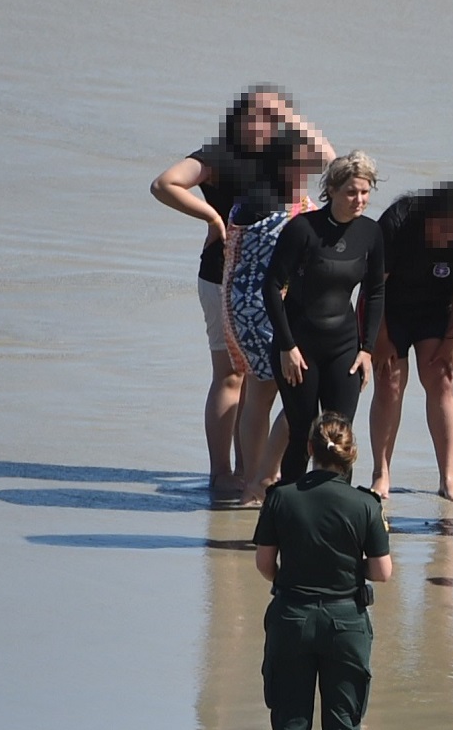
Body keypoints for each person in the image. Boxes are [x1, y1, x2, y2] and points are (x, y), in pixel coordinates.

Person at [151, 85, 333, 500]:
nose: (267, 123)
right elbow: (165, 184)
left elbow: (330, 163)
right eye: (259, 115)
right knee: (232, 376)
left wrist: (293, 115)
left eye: (276, 116)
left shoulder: (285, 156)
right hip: (223, 280)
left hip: (280, 288)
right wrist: (213, 219)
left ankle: (251, 473)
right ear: (239, 118)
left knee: (262, 382)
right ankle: (223, 475)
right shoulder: (219, 155)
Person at [252, 413, 392, 730]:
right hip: (345, 622)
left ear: (310, 450)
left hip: (292, 616)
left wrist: (291, 580)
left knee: (291, 727)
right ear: (350, 454)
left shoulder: (282, 498)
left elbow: (263, 564)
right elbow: (382, 573)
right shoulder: (365, 505)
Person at [367, 183, 453, 502]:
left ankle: (448, 477)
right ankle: (381, 473)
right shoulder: (398, 221)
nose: (447, 237)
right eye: (442, 227)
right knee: (389, 383)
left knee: (442, 382)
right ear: (428, 216)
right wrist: (380, 337)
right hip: (390, 310)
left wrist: (450, 339)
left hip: (435, 313)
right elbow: (372, 285)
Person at [264, 152, 386, 484]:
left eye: (364, 192)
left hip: (344, 348)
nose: (359, 199)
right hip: (299, 348)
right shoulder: (303, 229)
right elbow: (272, 286)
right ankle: (286, 512)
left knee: (340, 436)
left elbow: (374, 292)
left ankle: (335, 515)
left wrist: (367, 350)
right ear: (331, 190)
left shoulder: (371, 234)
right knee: (303, 433)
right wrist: (286, 346)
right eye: (351, 192)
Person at [222, 129, 323, 505]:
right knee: (296, 397)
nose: (307, 173)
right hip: (266, 309)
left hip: (241, 304)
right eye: (301, 166)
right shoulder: (275, 203)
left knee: (260, 394)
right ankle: (262, 478)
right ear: (283, 164)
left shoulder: (256, 195)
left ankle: (256, 478)